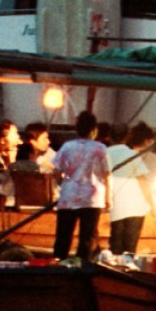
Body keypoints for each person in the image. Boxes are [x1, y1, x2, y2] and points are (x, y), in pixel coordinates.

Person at [51, 110, 111, 261]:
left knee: (63, 236)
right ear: (93, 130)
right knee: (87, 238)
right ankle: (82, 266)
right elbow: (107, 175)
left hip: (68, 196)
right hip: (92, 198)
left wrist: (62, 183)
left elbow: (56, 172)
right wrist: (108, 197)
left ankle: (59, 265)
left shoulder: (67, 146)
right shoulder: (100, 148)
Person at [106, 121, 156, 255]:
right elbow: (143, 183)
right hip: (135, 207)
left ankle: (114, 268)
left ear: (109, 137)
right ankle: (127, 268)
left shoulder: (104, 153)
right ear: (127, 136)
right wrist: (153, 208)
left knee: (115, 245)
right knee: (129, 248)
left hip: (115, 206)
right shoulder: (131, 155)